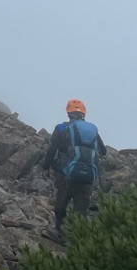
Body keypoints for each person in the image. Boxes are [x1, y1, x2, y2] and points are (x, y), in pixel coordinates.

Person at [41, 98, 107, 237]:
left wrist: (46, 168)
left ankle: (59, 232)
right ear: (84, 113)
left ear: (68, 113)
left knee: (61, 203)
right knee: (81, 208)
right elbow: (103, 151)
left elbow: (52, 149)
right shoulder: (93, 129)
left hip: (66, 174)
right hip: (87, 176)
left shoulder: (62, 128)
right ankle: (78, 238)